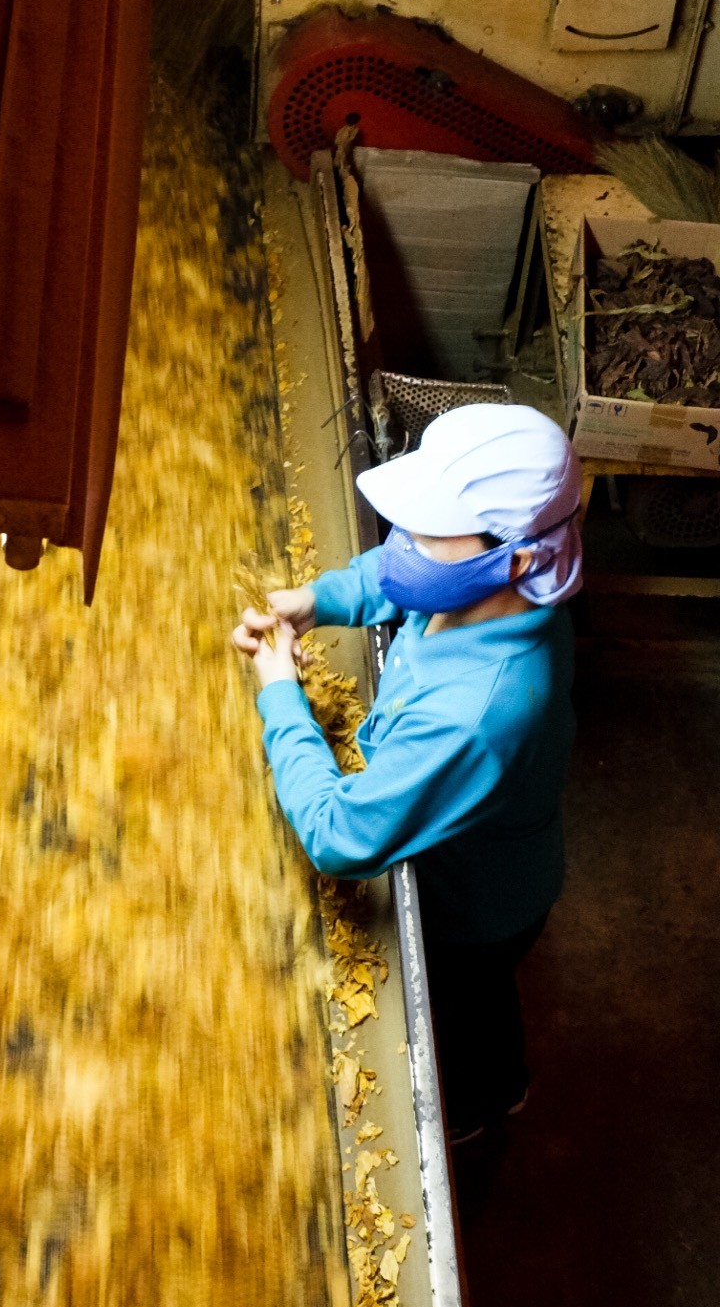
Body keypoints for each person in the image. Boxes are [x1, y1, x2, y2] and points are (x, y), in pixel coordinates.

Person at [233, 403, 580, 1144]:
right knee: (485, 1002)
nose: (406, 545)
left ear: (514, 557)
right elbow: (401, 577)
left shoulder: (481, 711)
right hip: (498, 857)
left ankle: (489, 1105)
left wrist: (278, 696)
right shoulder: (495, 589)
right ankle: (499, 1075)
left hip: (476, 907)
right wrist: (317, 600)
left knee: (468, 1006)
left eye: (429, 532)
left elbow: (339, 836)